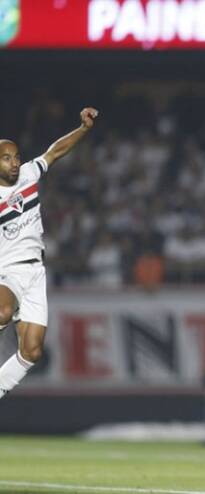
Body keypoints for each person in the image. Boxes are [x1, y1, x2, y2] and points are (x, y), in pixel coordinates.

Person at [0, 107, 99, 398]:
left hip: (36, 272)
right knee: (2, 311)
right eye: (7, 158)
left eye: (16, 157)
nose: (15, 163)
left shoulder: (29, 175)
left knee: (31, 351)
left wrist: (83, 129)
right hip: (6, 269)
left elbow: (55, 152)